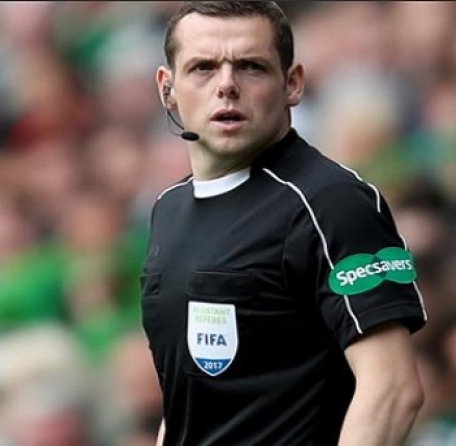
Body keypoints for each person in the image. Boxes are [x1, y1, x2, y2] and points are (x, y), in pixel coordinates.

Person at [140, 2, 428, 445]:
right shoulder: (168, 209)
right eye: (203, 68)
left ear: (292, 83)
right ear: (168, 88)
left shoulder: (330, 202)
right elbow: (188, 403)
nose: (227, 85)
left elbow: (392, 390)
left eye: (250, 66)